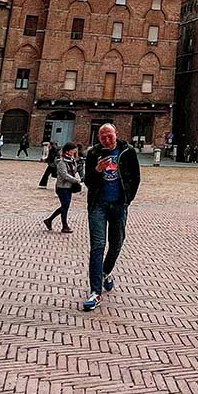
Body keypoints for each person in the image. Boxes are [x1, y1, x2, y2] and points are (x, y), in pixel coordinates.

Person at [82, 123, 141, 311]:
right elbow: (88, 182)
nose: (107, 140)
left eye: (110, 136)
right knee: (97, 246)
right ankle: (95, 292)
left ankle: (106, 271)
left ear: (116, 134)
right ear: (98, 138)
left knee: (117, 243)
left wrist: (127, 200)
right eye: (102, 137)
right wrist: (97, 170)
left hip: (118, 204)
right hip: (98, 205)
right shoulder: (93, 154)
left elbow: (135, 178)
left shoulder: (128, 152)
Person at [44, 142, 82, 233]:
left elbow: (74, 170)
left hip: (69, 187)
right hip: (62, 187)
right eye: (73, 150)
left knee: (65, 206)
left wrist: (79, 166)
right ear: (68, 151)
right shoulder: (61, 161)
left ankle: (49, 220)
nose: (74, 151)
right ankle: (64, 226)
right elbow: (64, 175)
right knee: (65, 205)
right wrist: (76, 180)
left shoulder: (72, 160)